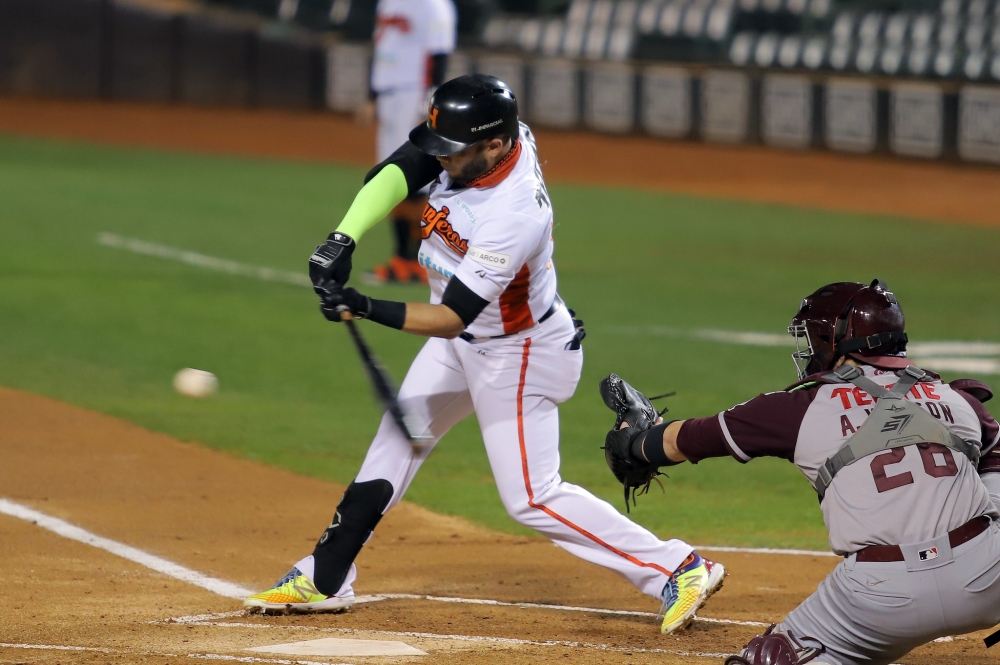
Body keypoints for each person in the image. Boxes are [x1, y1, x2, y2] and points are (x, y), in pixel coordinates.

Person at [244, 74, 726, 635]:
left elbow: (451, 316)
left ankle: (676, 566)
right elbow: (401, 167)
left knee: (531, 497)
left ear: (495, 146)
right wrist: (342, 238)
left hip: (516, 353)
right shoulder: (489, 141)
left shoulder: (514, 213)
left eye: (454, 152)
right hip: (467, 343)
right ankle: (325, 575)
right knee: (394, 443)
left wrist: (361, 305)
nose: (442, 161)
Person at [600, 279, 1000, 664]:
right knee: (991, 462)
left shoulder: (797, 409)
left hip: (882, 597)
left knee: (771, 658)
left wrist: (633, 443)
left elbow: (686, 440)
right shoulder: (959, 401)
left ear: (835, 341)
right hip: (989, 579)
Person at [359, 0, 457, 284]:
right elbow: (383, 48)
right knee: (390, 176)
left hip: (413, 93)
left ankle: (418, 261)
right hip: (388, 92)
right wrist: (371, 96)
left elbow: (439, 54)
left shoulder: (434, 5)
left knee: (415, 179)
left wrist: (430, 102)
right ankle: (403, 259)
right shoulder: (388, 3)